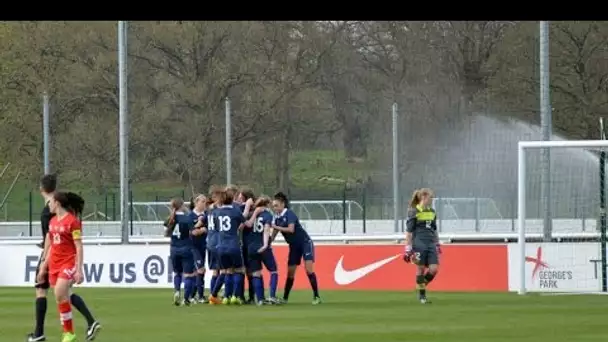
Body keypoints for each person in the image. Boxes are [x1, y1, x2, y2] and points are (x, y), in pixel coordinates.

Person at [28, 175, 100, 342]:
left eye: (52, 203)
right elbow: (52, 244)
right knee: (62, 296)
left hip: (68, 262)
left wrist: (79, 269)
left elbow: (79, 245)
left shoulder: (72, 222)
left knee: (60, 291)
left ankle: (63, 333)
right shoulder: (53, 222)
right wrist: (44, 267)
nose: (49, 205)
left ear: (57, 203)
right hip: (54, 263)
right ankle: (70, 331)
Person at [271, 192, 321, 305]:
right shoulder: (276, 217)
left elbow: (291, 229)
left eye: (276, 205)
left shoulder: (289, 214)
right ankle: (285, 298)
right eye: (273, 206)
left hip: (305, 243)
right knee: (290, 273)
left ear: (283, 204)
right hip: (294, 247)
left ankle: (316, 296)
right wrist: (267, 242)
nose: (275, 208)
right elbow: (274, 234)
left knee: (309, 270)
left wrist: (275, 227)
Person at [208, 188, 246, 305]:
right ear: (232, 200)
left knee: (225, 271)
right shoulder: (235, 211)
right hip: (233, 245)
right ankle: (234, 295)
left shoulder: (216, 212)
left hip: (220, 245)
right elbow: (244, 222)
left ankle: (217, 296)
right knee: (239, 270)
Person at [403, 188, 441, 304]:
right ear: (424, 197)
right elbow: (409, 232)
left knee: (434, 269)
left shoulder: (432, 212)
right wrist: (408, 249)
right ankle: (422, 296)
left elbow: (434, 229)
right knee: (420, 268)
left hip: (430, 243)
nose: (432, 199)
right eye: (430, 197)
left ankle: (420, 285)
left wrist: (437, 243)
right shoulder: (414, 211)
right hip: (419, 243)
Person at [245, 196, 280, 305]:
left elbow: (247, 225)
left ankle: (260, 299)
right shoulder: (267, 215)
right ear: (267, 205)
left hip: (251, 247)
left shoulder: (251, 215)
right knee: (273, 270)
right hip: (262, 247)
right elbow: (266, 229)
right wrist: (265, 244)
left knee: (256, 273)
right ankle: (272, 296)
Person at [164, 198, 196, 306]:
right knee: (188, 275)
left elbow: (166, 231)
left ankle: (177, 291)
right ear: (182, 206)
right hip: (186, 248)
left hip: (174, 249)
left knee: (177, 273)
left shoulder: (170, 218)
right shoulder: (187, 219)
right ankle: (186, 298)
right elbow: (193, 232)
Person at [188, 194, 210, 303]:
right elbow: (192, 232)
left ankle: (193, 296)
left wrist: (201, 230)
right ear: (196, 202)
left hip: (203, 246)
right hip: (193, 247)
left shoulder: (206, 215)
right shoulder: (190, 216)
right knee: (201, 269)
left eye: (205, 201)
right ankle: (200, 297)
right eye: (202, 201)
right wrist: (202, 230)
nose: (205, 203)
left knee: (200, 272)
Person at [237, 188, 257, 303]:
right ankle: (251, 297)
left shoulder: (241, 209)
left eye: (240, 196)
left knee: (242, 271)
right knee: (251, 271)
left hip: (244, 243)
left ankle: (241, 296)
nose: (239, 198)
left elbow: (239, 226)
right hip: (251, 244)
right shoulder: (257, 210)